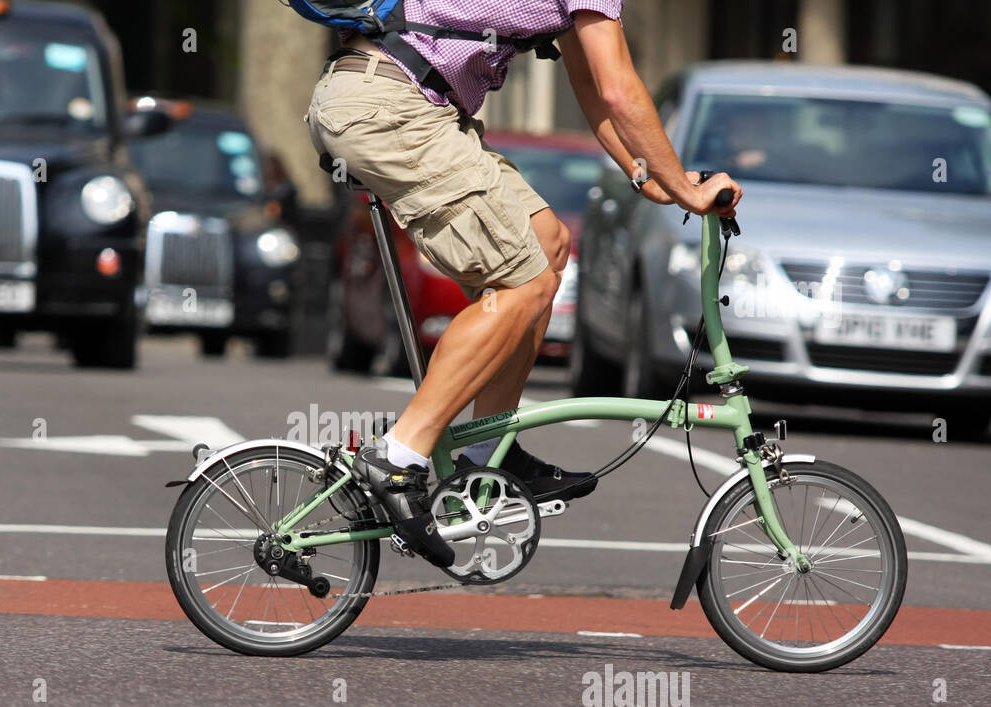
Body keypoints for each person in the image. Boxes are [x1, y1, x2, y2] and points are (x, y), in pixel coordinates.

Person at [304, 1, 741, 567]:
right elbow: (617, 89)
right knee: (525, 284)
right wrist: (685, 186)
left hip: (402, 106)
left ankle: (488, 451)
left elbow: (590, 88)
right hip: (390, 108)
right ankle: (397, 454)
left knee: (550, 245)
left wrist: (650, 178)